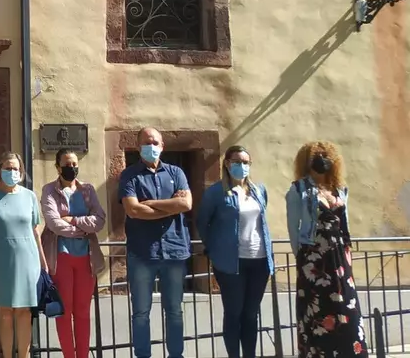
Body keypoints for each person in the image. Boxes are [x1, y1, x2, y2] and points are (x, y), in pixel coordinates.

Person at [286, 141, 367, 358]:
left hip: (339, 256)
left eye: (325, 155)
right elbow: (293, 229)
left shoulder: (340, 189)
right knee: (318, 308)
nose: (322, 159)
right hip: (314, 258)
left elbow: (344, 223)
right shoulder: (298, 190)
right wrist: (302, 257)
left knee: (346, 306)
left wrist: (347, 253)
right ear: (307, 161)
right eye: (316, 155)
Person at [119, 127, 192, 358]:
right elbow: (133, 210)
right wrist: (171, 206)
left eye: (155, 142)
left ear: (162, 146)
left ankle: (176, 355)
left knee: (175, 311)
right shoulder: (129, 175)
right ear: (138, 146)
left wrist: (151, 204)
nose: (151, 146)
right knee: (141, 312)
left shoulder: (176, 173)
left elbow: (186, 204)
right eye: (146, 142)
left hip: (174, 250)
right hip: (142, 252)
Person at [196, 145, 274, 358]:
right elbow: (202, 222)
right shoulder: (215, 192)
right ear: (227, 164)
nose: (242, 166)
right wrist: (213, 248)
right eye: (237, 162)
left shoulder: (259, 190)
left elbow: (261, 221)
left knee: (251, 314)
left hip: (259, 260)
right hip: (231, 263)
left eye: (246, 162)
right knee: (233, 313)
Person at [0, 151, 46, 358]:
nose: (12, 171)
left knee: (25, 313)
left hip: (28, 262)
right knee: (5, 313)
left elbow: (36, 232)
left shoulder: (29, 196)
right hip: (1, 263)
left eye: (16, 168)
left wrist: (43, 264)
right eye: (8, 168)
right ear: (0, 170)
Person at [41, 149, 106, 358]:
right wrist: (84, 229)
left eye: (75, 164)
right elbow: (54, 223)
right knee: (64, 311)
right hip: (61, 256)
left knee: (83, 311)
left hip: (86, 257)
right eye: (67, 165)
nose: (72, 168)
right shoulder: (49, 190)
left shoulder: (87, 190)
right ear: (58, 167)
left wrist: (75, 220)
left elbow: (100, 220)